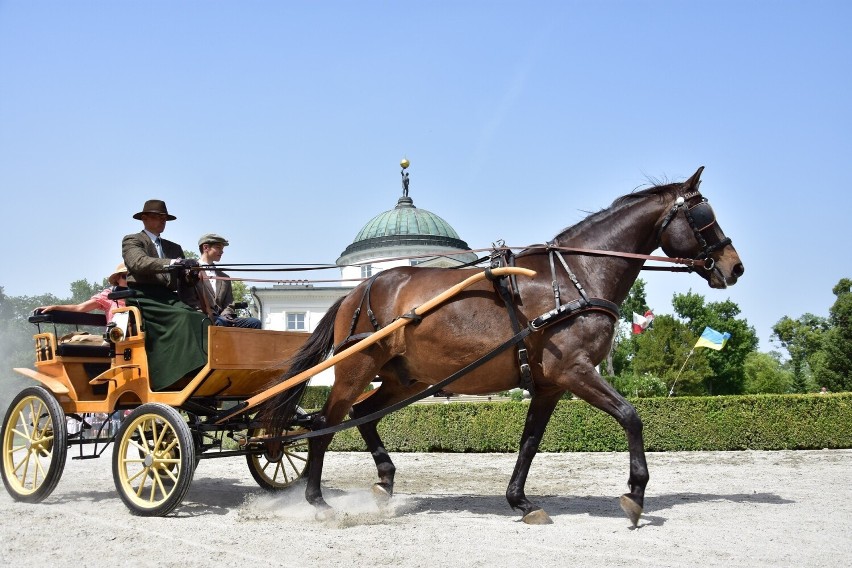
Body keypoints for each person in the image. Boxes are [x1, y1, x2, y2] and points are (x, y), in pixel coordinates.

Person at [121, 199, 209, 390]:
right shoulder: (133, 240)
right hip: (143, 296)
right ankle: (173, 373)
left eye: (165, 218)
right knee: (184, 318)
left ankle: (203, 365)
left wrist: (191, 273)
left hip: (168, 296)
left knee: (200, 319)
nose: (162, 221)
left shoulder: (173, 247)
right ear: (144, 218)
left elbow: (183, 280)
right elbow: (139, 263)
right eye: (157, 217)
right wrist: (172, 263)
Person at [186, 233, 262, 329]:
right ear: (205, 248)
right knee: (219, 323)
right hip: (202, 317)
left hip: (223, 319)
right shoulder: (191, 272)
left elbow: (229, 304)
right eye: (218, 248)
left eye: (222, 249)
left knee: (254, 323)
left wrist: (225, 316)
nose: (222, 252)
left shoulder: (224, 277)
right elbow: (189, 300)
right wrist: (204, 313)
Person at [39, 263, 128, 323]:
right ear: (117, 278)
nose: (130, 280)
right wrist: (55, 307)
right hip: (118, 339)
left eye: (134, 276)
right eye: (126, 276)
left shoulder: (140, 294)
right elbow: (80, 307)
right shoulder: (109, 295)